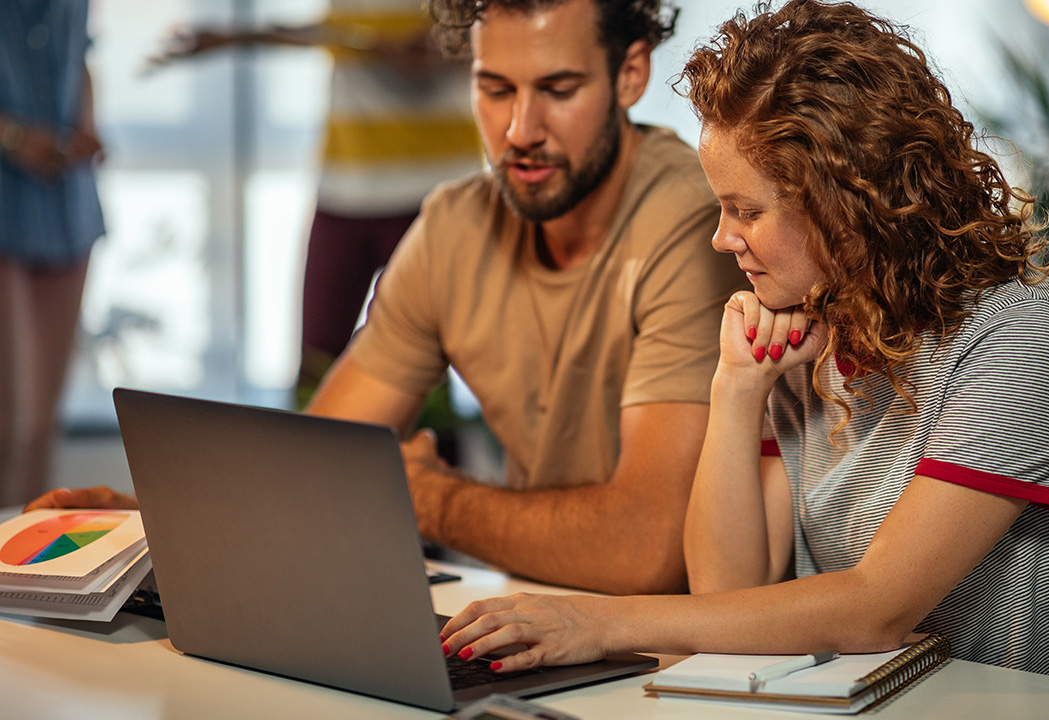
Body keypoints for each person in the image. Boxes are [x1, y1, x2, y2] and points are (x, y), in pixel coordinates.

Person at [435, 0, 1049, 697]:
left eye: (745, 211)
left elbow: (874, 609)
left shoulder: (1026, 338)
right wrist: (737, 390)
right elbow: (728, 598)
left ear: (844, 206)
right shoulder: (810, 330)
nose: (721, 237)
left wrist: (600, 622)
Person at [28, 0, 747, 597]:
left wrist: (432, 501)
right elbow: (322, 465)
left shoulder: (689, 223)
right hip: (535, 613)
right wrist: (156, 521)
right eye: (495, 89)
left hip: (683, 653)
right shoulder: (455, 225)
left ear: (630, 74)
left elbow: (646, 551)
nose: (520, 132)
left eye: (558, 90)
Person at [146, 0, 484, 408]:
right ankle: (312, 470)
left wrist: (450, 45)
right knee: (316, 370)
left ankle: (430, 471)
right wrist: (234, 37)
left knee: (425, 384)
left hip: (433, 196)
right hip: (345, 190)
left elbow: (507, 34)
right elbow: (328, 33)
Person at [1, 0, 106, 507]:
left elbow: (80, 56)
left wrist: (87, 123)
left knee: (42, 427)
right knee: (8, 425)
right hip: (6, 198)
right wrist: (14, 137)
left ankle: (27, 577)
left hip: (67, 202)